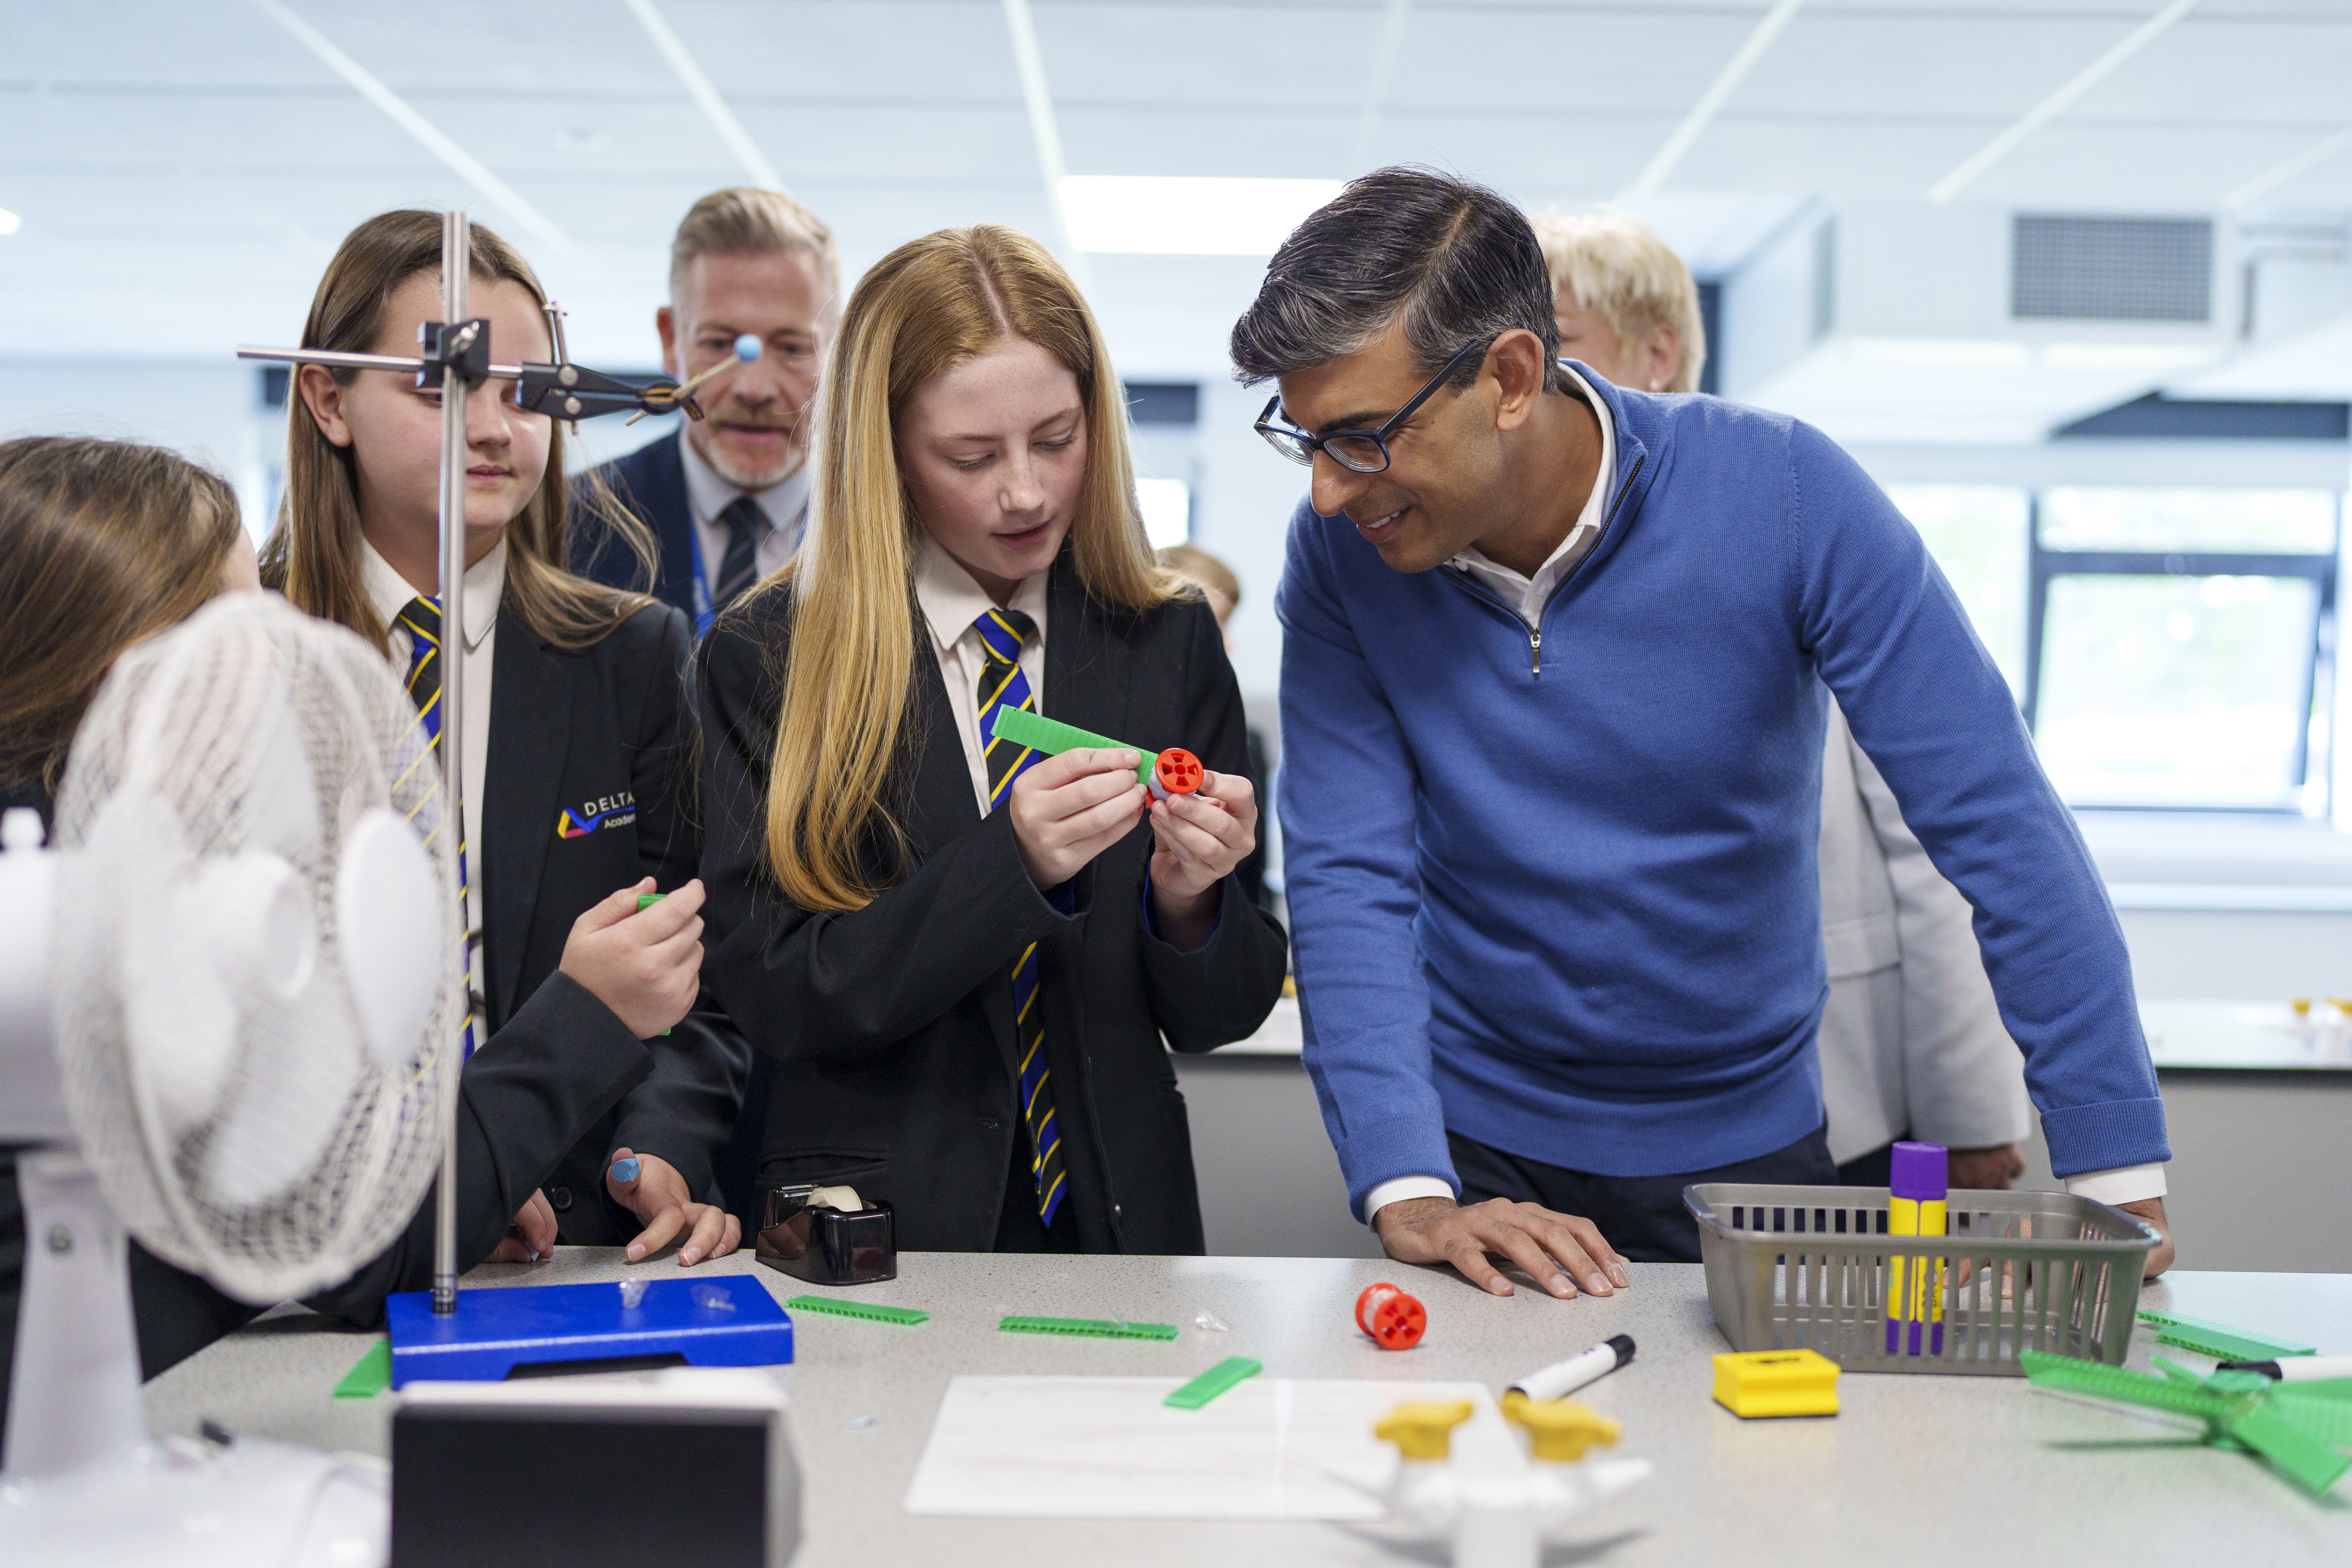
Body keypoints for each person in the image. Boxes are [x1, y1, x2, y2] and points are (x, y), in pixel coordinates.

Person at [1234, 168, 2173, 1301]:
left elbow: (1994, 819)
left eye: (1366, 438)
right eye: (1308, 441)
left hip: (1746, 1145)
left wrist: (2115, 1165)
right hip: (1479, 1140)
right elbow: (1347, 877)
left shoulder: (1784, 492)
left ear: (1512, 379)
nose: (1331, 493)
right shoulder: (1342, 556)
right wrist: (1407, 1184)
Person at [0, 436, 680, 1447]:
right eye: (243, 623)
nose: (283, 653)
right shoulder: (145, 917)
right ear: (137, 680)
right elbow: (352, 1235)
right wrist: (585, 1015)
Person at [698, 225, 1289, 1254]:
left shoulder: (1170, 637)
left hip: (1120, 1222)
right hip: (876, 1229)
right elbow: (777, 994)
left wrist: (1193, 902)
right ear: (885, 452)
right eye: (970, 455)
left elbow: (1220, 1012)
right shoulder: (770, 655)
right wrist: (1005, 860)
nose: (1026, 491)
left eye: (1057, 438)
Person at [269, 210, 749, 1266]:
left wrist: (655, 1149)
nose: (497, 426)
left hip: (578, 1248)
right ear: (328, 396)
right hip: (309, 1249)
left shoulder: (633, 658)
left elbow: (697, 974)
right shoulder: (243, 656)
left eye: (529, 389)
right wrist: (455, 1167)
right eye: (445, 383)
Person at [1528, 213, 2031, 1190]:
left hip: (1834, 1097)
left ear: (1656, 355)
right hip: (1588, 1105)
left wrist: (1967, 1113)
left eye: (1559, 341)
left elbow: (1935, 850)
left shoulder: (1773, 530)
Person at [577, 186, 838, 637]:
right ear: (669, 339)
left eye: (793, 347)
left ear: (838, 348)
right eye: (719, 345)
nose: (753, 389)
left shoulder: (902, 534)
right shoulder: (576, 522)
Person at [1156, 542, 1274, 917]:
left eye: (1222, 624)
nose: (1226, 642)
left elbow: (1252, 888)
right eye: (1209, 623)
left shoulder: (1248, 746)